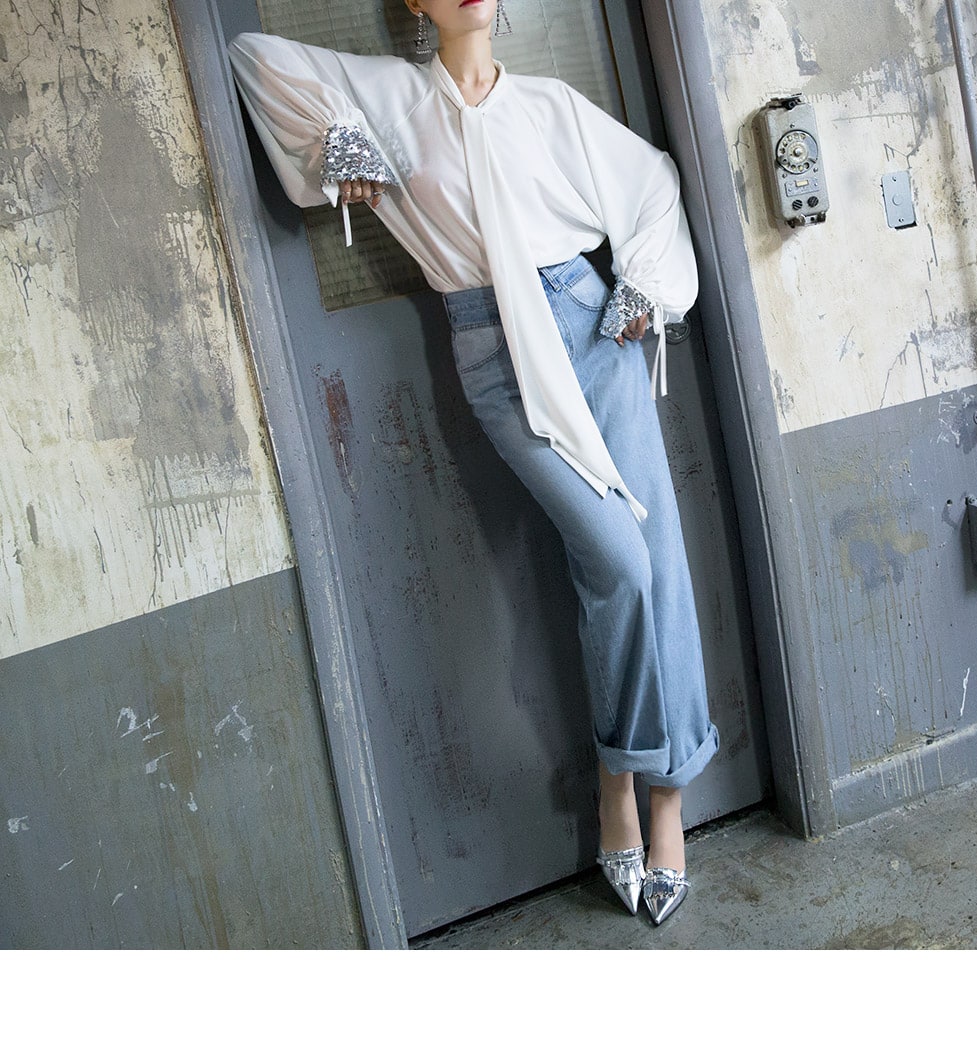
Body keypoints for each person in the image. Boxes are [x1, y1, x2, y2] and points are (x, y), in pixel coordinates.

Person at [227, 0, 717, 926]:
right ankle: (620, 773)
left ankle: (664, 797)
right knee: (617, 563)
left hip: (594, 328)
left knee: (658, 561)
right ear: (414, 4)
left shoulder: (550, 106)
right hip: (493, 353)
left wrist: (645, 284)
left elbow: (653, 182)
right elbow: (252, 56)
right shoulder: (391, 100)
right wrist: (337, 136)